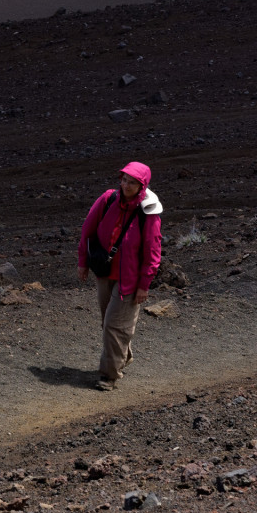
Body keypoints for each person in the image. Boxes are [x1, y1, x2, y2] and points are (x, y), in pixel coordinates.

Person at [76, 161, 163, 391]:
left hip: (130, 280)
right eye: (124, 180)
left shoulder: (148, 211)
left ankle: (108, 376)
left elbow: (153, 251)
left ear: (142, 185)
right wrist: (83, 262)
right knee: (109, 323)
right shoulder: (108, 199)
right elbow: (87, 230)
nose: (126, 185)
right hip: (104, 271)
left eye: (132, 182)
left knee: (114, 326)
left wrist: (144, 285)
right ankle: (121, 356)